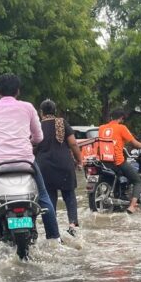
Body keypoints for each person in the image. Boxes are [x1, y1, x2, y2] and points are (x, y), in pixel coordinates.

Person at [0, 73, 61, 242]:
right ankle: (55, 239)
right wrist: (29, 141)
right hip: (26, 163)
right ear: (18, 91)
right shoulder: (28, 107)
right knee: (44, 197)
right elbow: (38, 137)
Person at [35, 99, 83, 236]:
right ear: (54, 111)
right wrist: (80, 160)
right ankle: (72, 224)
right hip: (64, 164)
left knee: (49, 197)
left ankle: (53, 228)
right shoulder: (62, 123)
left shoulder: (38, 126)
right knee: (69, 195)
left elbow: (32, 147)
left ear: (41, 112)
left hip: (44, 167)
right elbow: (73, 144)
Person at [96, 109, 141, 213]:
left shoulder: (101, 128)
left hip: (103, 162)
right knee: (137, 180)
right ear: (121, 118)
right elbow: (134, 143)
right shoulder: (121, 128)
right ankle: (133, 206)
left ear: (111, 117)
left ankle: (121, 195)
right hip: (117, 162)